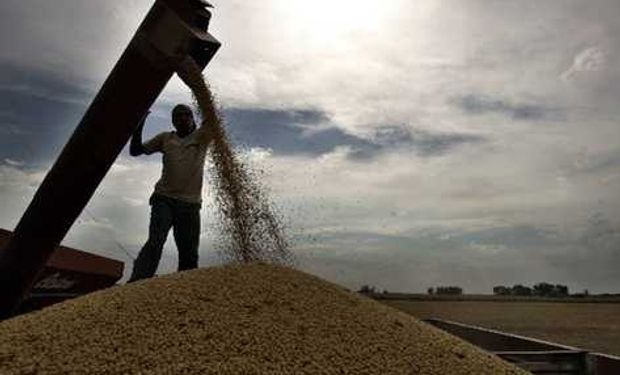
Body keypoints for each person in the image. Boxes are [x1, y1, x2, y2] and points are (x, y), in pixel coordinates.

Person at [127, 104, 214, 282]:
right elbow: (135, 151)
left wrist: (201, 95)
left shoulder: (202, 136)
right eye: (177, 116)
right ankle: (137, 283)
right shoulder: (165, 138)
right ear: (173, 121)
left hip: (190, 204)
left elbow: (213, 118)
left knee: (189, 251)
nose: (182, 118)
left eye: (186, 115)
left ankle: (185, 286)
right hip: (164, 199)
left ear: (193, 118)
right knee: (155, 242)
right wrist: (139, 124)